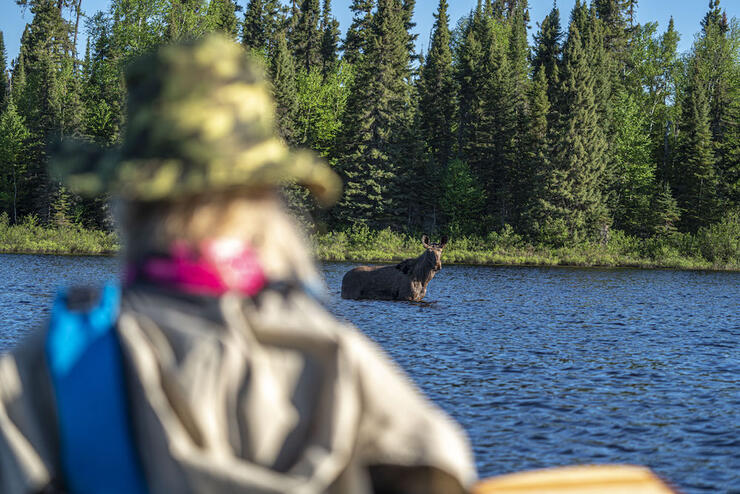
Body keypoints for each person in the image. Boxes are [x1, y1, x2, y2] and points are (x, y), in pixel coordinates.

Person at [0, 36, 476, 494]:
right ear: (265, 201)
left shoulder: (42, 372)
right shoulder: (337, 365)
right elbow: (443, 461)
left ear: (125, 200)